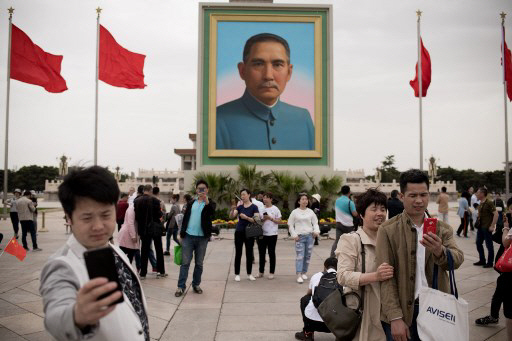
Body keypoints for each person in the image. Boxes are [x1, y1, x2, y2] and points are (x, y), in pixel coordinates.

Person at [39, 166, 149, 341]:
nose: (98, 226)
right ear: (69, 217)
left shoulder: (112, 248)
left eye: (105, 215)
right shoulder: (61, 265)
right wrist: (76, 316)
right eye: (87, 217)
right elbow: (55, 316)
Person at [376, 169, 463, 341]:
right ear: (402, 196)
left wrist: (440, 251)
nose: (419, 200)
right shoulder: (387, 230)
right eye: (412, 195)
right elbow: (386, 277)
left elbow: (457, 259)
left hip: (436, 309)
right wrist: (395, 317)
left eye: (423, 194)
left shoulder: (442, 229)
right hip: (403, 311)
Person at [216, 33, 314, 150]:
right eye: (258, 64)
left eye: (277, 64)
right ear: (242, 71)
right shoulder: (217, 119)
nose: (268, 76)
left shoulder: (303, 119)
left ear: (289, 73)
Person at [335, 188, 394, 341]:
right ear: (361, 214)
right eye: (373, 209)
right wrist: (375, 276)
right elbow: (342, 276)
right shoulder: (351, 240)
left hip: (389, 313)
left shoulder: (390, 241)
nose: (379, 213)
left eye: (382, 209)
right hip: (363, 311)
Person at [475, 197, 512, 327]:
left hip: (509, 268)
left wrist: (506, 227)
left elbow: (505, 243)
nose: (509, 211)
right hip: (507, 266)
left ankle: (494, 316)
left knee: (500, 291)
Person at [176, 180, 216, 297]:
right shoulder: (191, 203)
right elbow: (185, 219)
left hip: (202, 238)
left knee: (199, 263)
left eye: (203, 188)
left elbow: (212, 213)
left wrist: (206, 201)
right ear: (196, 190)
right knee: (185, 263)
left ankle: (196, 284)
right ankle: (180, 286)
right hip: (188, 237)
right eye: (199, 188)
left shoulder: (210, 203)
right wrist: (180, 234)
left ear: (207, 190)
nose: (201, 190)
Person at [294, 257, 337, 341]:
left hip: (313, 322)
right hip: (336, 325)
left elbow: (308, 293)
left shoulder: (317, 276)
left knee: (305, 299)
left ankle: (308, 333)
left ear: (324, 266)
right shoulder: (343, 278)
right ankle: (343, 336)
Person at [134, 184, 166, 279]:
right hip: (154, 228)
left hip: (143, 229)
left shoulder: (137, 201)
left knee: (144, 250)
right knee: (158, 249)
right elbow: (159, 214)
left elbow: (136, 216)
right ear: (151, 191)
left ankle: (143, 273)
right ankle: (161, 271)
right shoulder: (156, 201)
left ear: (144, 190)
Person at [289, 193, 320, 283]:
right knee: (300, 256)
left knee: (307, 256)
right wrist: (294, 235)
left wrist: (316, 231)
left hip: (310, 237)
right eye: (302, 199)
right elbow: (290, 224)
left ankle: (304, 272)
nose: (305, 201)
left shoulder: (310, 212)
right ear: (299, 201)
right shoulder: (294, 212)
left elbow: (315, 223)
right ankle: (298, 274)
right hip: (299, 237)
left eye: (306, 199)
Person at [230, 188, 260, 282]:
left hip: (250, 232)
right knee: (238, 253)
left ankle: (249, 274)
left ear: (249, 195)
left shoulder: (254, 207)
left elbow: (256, 220)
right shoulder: (239, 207)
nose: (242, 196)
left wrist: (246, 217)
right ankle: (237, 274)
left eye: (244, 194)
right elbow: (232, 216)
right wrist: (232, 210)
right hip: (239, 232)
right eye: (241, 195)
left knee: (249, 253)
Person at [256, 192, 281, 279]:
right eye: (264, 198)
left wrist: (270, 218)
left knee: (271, 253)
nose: (265, 199)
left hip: (272, 234)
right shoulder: (260, 209)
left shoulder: (276, 209)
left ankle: (271, 272)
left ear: (271, 199)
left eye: (267, 198)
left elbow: (279, 221)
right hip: (262, 234)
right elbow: (257, 221)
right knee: (261, 253)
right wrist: (262, 219)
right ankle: (261, 271)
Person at [474, 187, 498, 268]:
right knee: (478, 243)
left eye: (477, 193)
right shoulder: (480, 202)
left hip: (487, 228)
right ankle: (482, 260)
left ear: (482, 194)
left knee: (489, 245)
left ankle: (490, 262)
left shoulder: (489, 202)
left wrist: (492, 225)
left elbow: (496, 214)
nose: (476, 194)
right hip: (480, 227)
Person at [331, 185, 358, 257]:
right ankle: (349, 257)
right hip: (348, 226)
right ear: (349, 192)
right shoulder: (350, 202)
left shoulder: (337, 201)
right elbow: (354, 214)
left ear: (341, 192)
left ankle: (332, 258)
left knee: (337, 242)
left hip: (339, 224)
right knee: (350, 242)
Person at [117, 202, 140, 272]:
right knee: (125, 254)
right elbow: (130, 223)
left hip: (130, 234)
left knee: (130, 254)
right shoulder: (131, 209)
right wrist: (133, 236)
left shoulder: (135, 209)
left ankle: (127, 270)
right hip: (127, 234)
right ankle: (123, 270)